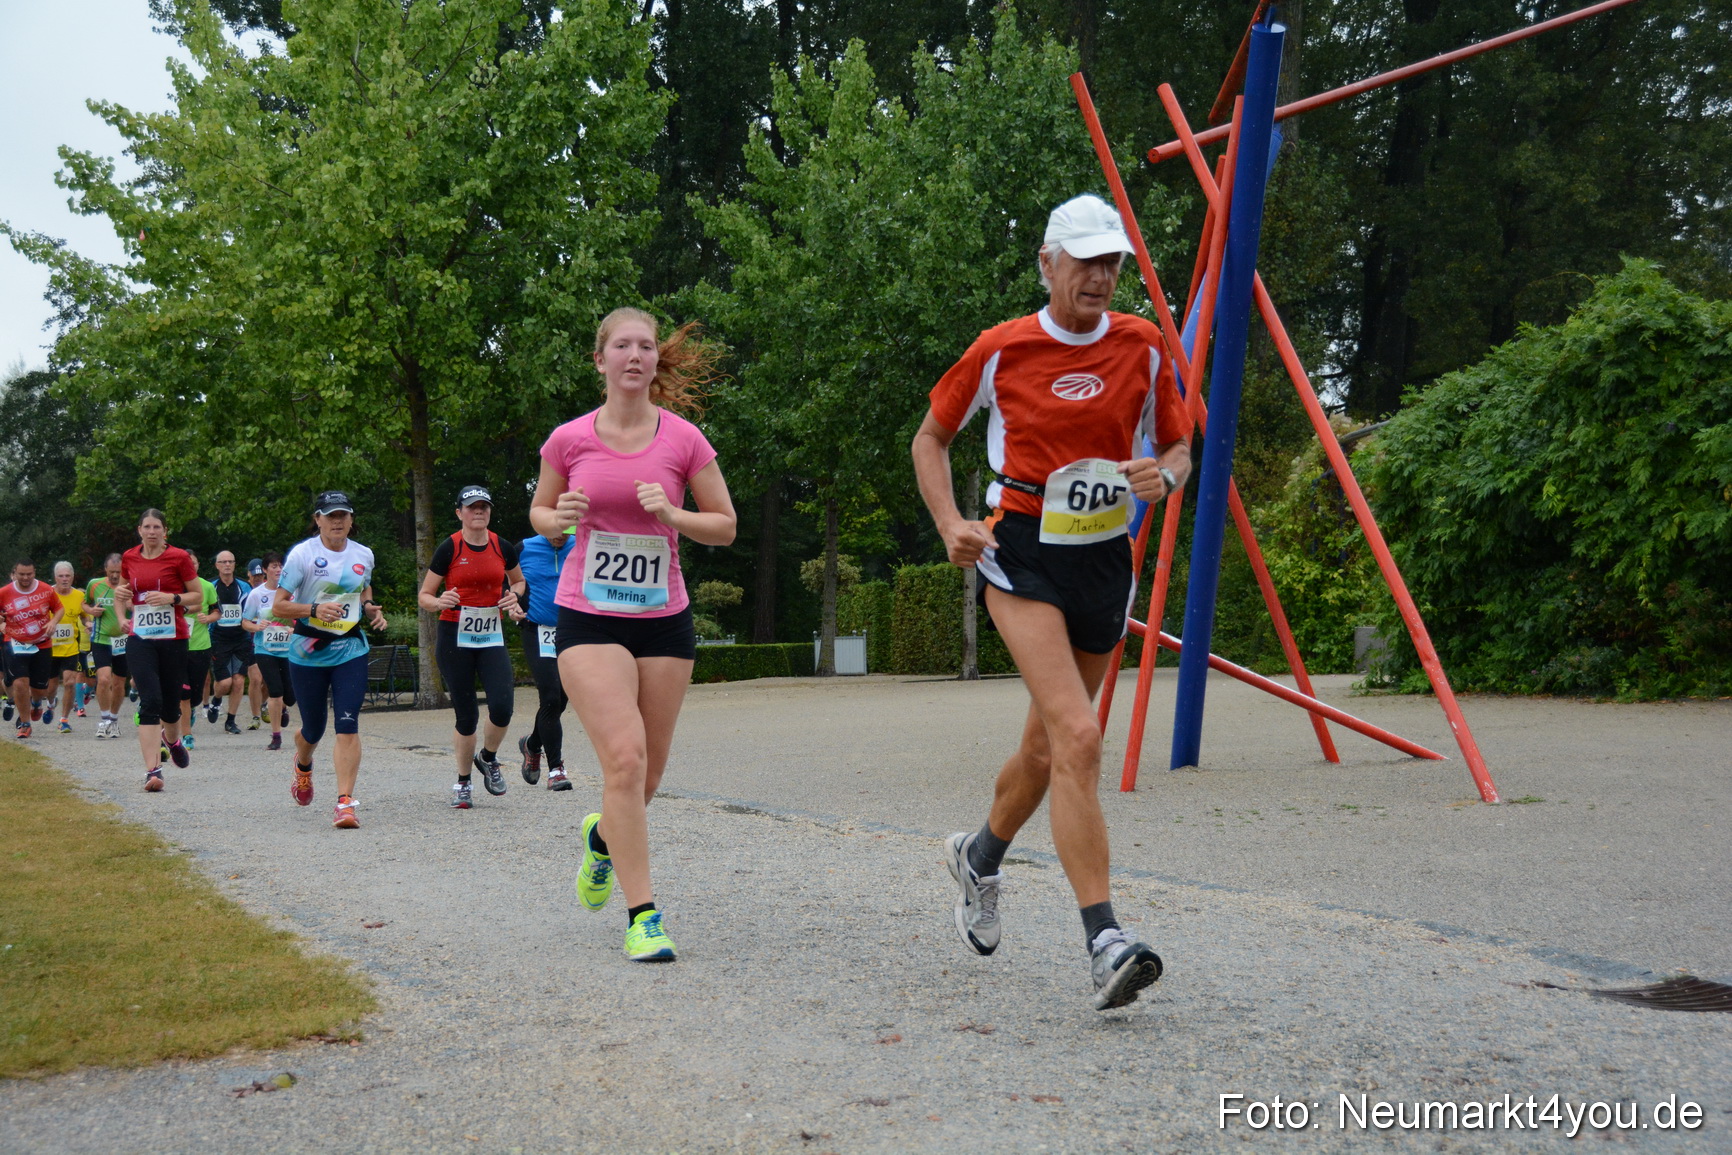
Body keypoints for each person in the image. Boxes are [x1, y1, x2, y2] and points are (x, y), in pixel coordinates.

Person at [911, 194, 1192, 1011]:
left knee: (1046, 750)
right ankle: (1106, 940)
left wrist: (1166, 475)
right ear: (1047, 262)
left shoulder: (1144, 345)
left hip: (1103, 559)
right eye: (1086, 261)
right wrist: (951, 524)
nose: (1100, 276)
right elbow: (929, 437)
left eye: (1112, 262)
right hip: (1022, 554)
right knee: (1080, 733)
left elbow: (1180, 445)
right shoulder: (1001, 348)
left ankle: (979, 858)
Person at [529, 307, 736, 963]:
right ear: (601, 360)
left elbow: (725, 525)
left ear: (654, 362)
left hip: (663, 619)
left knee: (644, 777)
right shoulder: (568, 439)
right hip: (588, 616)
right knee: (624, 758)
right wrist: (556, 518)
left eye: (646, 345)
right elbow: (540, 513)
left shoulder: (684, 439)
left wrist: (672, 514)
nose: (636, 355)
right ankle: (643, 916)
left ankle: (601, 839)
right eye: (623, 345)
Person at [274, 491, 388, 829]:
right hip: (308, 650)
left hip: (349, 647)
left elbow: (363, 588)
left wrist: (369, 608)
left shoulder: (363, 554)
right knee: (313, 729)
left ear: (351, 520)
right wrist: (313, 609)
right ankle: (303, 764)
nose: (337, 521)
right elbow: (279, 605)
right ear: (318, 520)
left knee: (347, 723)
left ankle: (345, 803)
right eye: (330, 515)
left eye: (343, 515)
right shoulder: (302, 555)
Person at [417, 486, 527, 808]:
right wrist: (439, 601)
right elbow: (424, 596)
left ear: (490, 512)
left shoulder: (502, 546)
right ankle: (463, 782)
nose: (478, 511)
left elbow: (518, 581)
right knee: (466, 715)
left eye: (484, 507)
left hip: (491, 634)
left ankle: (488, 757)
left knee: (503, 707)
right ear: (459, 513)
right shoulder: (449, 547)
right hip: (454, 634)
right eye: (472, 507)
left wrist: (514, 596)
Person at [116, 510, 199, 789]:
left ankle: (172, 740)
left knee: (171, 706)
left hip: (173, 638)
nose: (152, 532)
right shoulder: (130, 557)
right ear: (139, 530)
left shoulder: (179, 557)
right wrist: (121, 615)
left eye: (157, 527)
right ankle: (153, 772)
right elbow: (122, 592)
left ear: (165, 531)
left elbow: (197, 595)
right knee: (150, 701)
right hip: (140, 638)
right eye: (147, 527)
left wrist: (171, 597)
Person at [516, 524, 575, 791]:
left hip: (572, 632)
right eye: (556, 529)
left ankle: (532, 745)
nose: (561, 535)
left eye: (567, 529)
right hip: (537, 630)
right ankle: (556, 770)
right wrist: (512, 604)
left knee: (561, 701)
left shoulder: (583, 546)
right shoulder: (524, 548)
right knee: (550, 697)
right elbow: (505, 583)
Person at [1, 559, 64, 741]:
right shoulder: (4, 592)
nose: (25, 578)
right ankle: (25, 724)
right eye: (21, 574)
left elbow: (59, 609)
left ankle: (36, 703)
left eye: (29, 574)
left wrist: (53, 622)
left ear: (34, 572)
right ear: (15, 573)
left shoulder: (45, 589)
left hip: (41, 643)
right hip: (15, 642)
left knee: (39, 690)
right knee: (20, 683)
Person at [242, 552, 296, 751]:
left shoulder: (293, 592)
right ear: (265, 570)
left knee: (290, 697)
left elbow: (304, 618)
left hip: (289, 651)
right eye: (274, 566)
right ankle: (276, 736)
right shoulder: (257, 594)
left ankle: (283, 707)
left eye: (281, 566)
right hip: (265, 650)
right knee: (275, 691)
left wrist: (295, 628)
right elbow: (245, 622)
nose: (278, 569)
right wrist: (256, 627)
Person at [206, 550, 253, 734]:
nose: (227, 565)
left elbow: (251, 609)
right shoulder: (211, 586)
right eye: (223, 562)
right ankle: (216, 700)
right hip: (218, 639)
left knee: (239, 681)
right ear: (217, 565)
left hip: (241, 638)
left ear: (234, 564)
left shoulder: (244, 587)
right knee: (225, 683)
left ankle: (230, 721)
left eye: (230, 562)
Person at [177, 551, 220, 750]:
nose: (190, 566)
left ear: (198, 565)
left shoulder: (207, 586)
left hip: (200, 646)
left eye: (193, 563)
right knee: (183, 692)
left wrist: (208, 618)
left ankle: (192, 710)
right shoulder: (173, 585)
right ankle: (187, 735)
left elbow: (217, 611)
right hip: (177, 646)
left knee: (194, 694)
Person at [85, 553, 130, 739]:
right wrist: (91, 610)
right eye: (111, 572)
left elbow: (137, 607)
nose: (115, 575)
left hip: (123, 640)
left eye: (118, 572)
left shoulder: (129, 586)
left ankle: (114, 719)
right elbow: (84, 604)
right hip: (101, 638)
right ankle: (104, 720)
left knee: (119, 683)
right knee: (103, 679)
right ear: (105, 569)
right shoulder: (94, 585)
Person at [48, 562, 86, 733]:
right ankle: (50, 703)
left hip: (71, 647)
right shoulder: (47, 593)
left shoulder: (79, 596)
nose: (64, 579)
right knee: (50, 687)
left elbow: (84, 616)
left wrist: (88, 624)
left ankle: (64, 720)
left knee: (70, 683)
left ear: (72, 577)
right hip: (50, 647)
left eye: (67, 576)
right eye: (61, 576)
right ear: (55, 577)